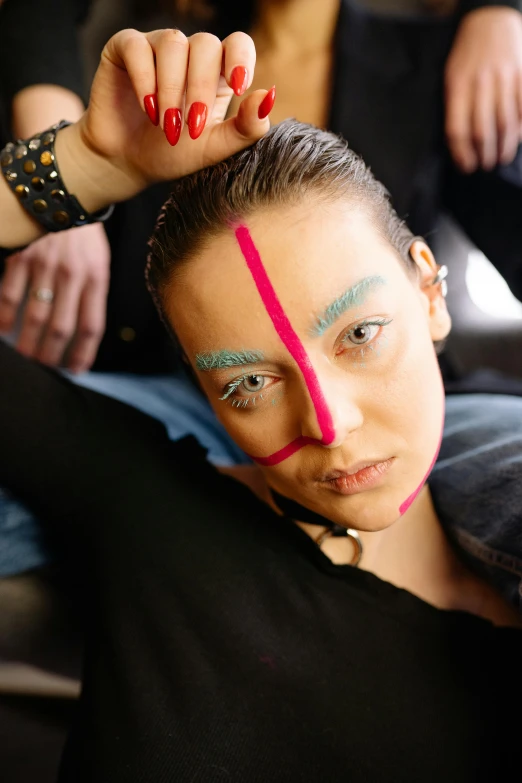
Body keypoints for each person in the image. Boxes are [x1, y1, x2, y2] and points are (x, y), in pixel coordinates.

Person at [1, 27, 521, 781]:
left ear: (430, 287)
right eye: (249, 383)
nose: (328, 423)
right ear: (203, 392)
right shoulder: (148, 504)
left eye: (361, 333)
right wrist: (85, 165)